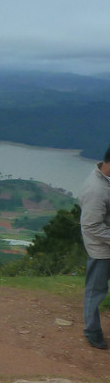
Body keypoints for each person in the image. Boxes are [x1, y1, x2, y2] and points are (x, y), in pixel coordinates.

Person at [78, 145, 110, 349]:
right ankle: (92, 330)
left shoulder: (106, 180)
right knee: (96, 290)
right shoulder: (95, 190)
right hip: (102, 250)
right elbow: (91, 226)